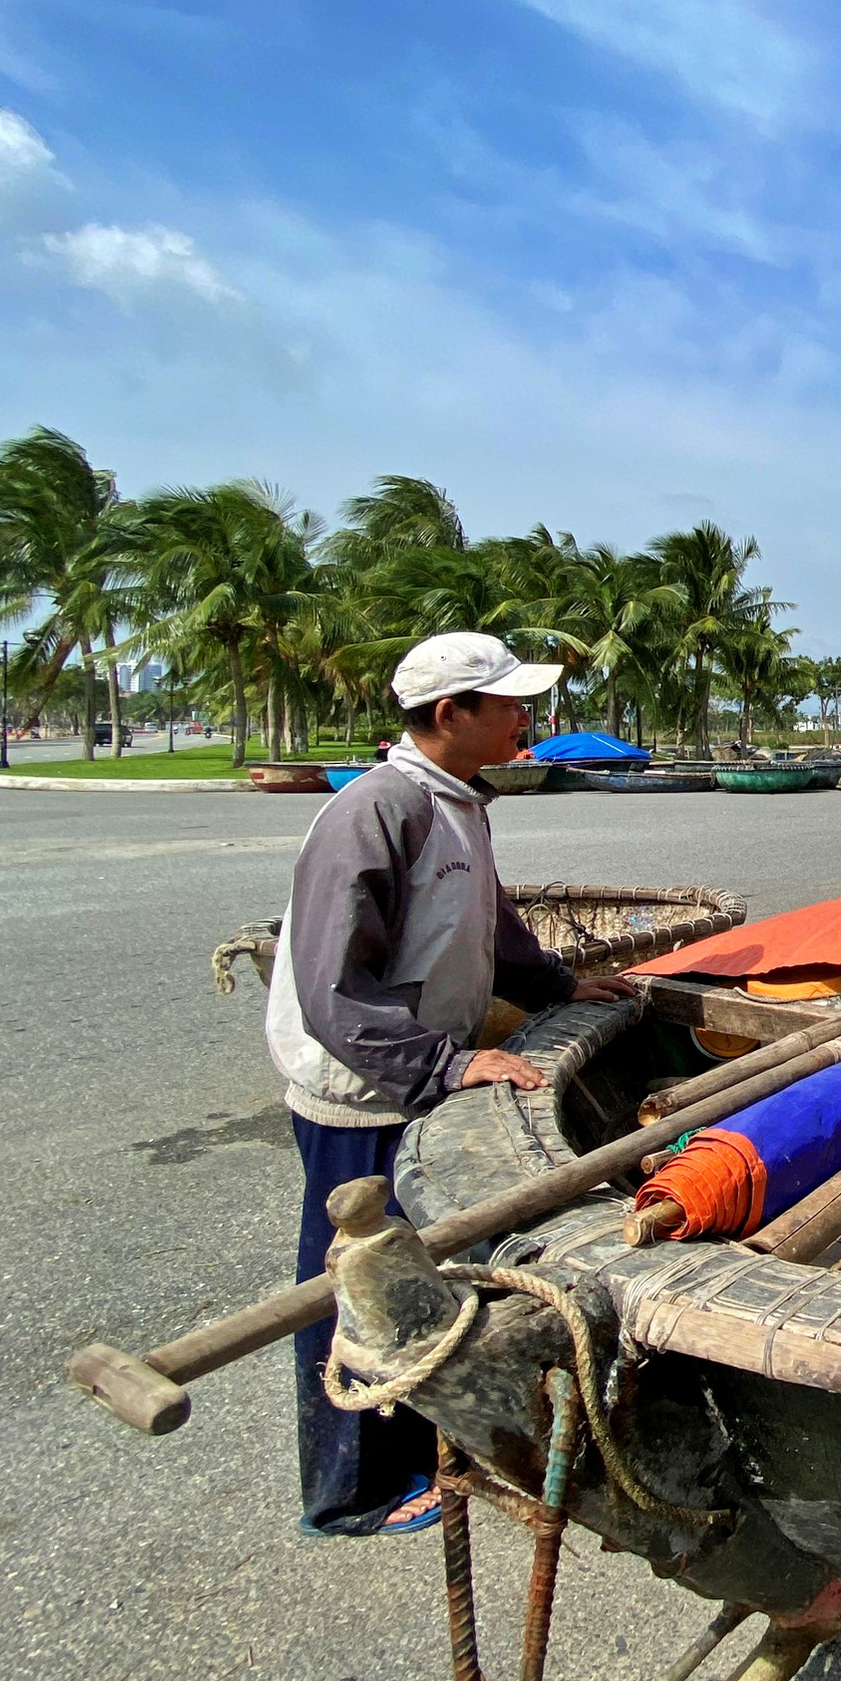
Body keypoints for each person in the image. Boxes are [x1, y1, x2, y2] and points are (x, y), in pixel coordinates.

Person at [266, 633, 635, 1537]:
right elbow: (330, 987)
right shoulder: (375, 812)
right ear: (448, 716)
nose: (526, 718)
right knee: (360, 1280)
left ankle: (430, 1435)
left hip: (408, 1072)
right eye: (508, 705)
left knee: (424, 1268)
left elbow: (486, 918)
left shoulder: (459, 802)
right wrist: (447, 1064)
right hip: (362, 1087)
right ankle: (352, 1490)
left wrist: (553, 986)